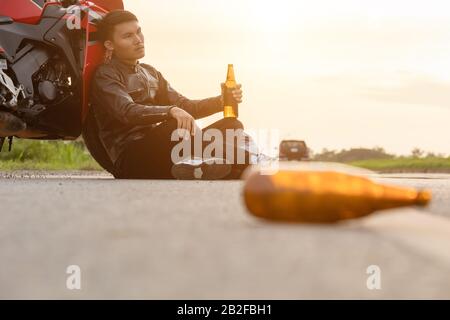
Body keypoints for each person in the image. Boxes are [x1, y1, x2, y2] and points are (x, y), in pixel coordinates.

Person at [90, 10, 255, 179]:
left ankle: (202, 167)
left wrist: (220, 102)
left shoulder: (150, 72)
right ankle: (244, 160)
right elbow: (127, 111)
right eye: (128, 36)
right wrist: (171, 111)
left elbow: (185, 106)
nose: (138, 40)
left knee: (232, 125)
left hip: (163, 151)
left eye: (139, 32)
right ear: (110, 44)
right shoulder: (106, 75)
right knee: (176, 125)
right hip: (131, 159)